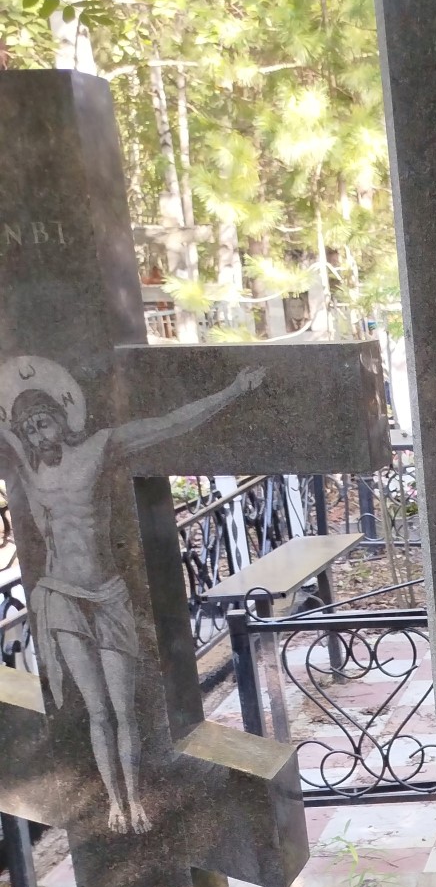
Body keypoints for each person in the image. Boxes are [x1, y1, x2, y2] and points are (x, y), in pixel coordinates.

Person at [0, 354, 265, 833]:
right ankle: (114, 804)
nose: (39, 436)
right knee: (96, 710)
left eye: (44, 423)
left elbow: (168, 425)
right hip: (61, 596)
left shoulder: (101, 447)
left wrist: (233, 392)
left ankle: (137, 798)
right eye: (30, 430)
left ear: (61, 417)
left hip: (107, 594)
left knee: (124, 709)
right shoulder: (28, 469)